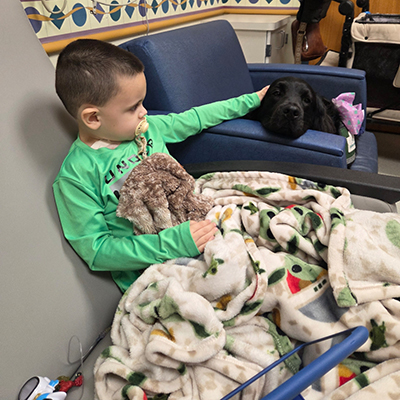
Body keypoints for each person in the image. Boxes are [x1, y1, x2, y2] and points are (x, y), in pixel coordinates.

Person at [53, 38, 269, 292]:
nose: (144, 112)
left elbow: (196, 117)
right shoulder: (77, 175)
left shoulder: (150, 129)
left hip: (199, 219)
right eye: (133, 107)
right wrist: (172, 244)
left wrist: (252, 100)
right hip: (159, 270)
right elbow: (98, 251)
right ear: (93, 118)